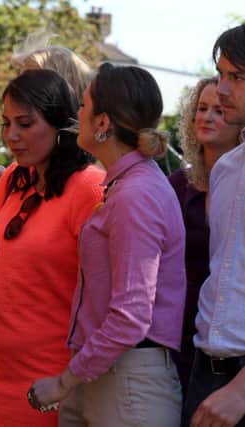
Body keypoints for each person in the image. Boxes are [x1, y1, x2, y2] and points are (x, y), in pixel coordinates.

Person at [29, 63, 186, 427]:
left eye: (84, 106)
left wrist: (64, 381)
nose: (77, 114)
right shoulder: (128, 186)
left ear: (102, 123)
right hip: (111, 377)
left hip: (129, 384)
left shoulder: (137, 194)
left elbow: (131, 316)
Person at [0, 69, 103, 427]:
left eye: (24, 123)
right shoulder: (11, 180)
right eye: (6, 124)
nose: (12, 136)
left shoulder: (90, 187)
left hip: (50, 386)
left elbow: (105, 294)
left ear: (58, 123)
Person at [186, 24, 245, 427]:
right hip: (204, 371)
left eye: (236, 77)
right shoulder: (225, 169)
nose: (221, 90)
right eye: (221, 74)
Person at [169, 77, 241, 394]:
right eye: (201, 108)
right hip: (179, 336)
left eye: (218, 110)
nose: (207, 117)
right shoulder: (176, 186)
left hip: (231, 343)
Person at [0, 41, 94, 200]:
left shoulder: (93, 182)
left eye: (25, 123)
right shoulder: (19, 175)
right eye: (6, 123)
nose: (18, 90)